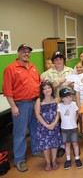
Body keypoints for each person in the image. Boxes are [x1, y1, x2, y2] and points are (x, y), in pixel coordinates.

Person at [2, 44, 41, 172]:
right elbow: (7, 90)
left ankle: (36, 150)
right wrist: (13, 106)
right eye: (23, 51)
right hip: (21, 105)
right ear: (18, 53)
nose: (26, 54)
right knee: (20, 133)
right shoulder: (10, 69)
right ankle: (19, 159)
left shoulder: (33, 67)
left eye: (28, 52)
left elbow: (39, 83)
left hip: (35, 102)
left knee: (35, 129)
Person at [35, 80, 62, 171]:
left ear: (52, 88)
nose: (47, 90)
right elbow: (37, 114)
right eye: (44, 89)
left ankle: (54, 161)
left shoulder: (56, 99)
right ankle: (47, 162)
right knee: (46, 145)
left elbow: (58, 113)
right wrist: (46, 125)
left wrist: (54, 123)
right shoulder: (39, 100)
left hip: (54, 125)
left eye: (49, 88)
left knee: (54, 144)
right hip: (43, 126)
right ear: (42, 91)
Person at [57, 88, 82, 170]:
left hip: (73, 128)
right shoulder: (59, 106)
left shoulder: (74, 104)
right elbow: (59, 116)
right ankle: (68, 159)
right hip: (64, 128)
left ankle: (77, 158)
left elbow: (77, 114)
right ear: (62, 98)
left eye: (70, 96)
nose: (69, 98)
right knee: (67, 144)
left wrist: (74, 121)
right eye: (67, 97)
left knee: (75, 144)